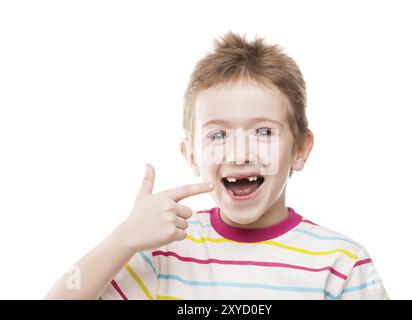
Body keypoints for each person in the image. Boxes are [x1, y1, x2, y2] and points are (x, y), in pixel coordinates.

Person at [45, 31, 389, 300]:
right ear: (191, 155)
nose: (239, 155)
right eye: (218, 135)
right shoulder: (164, 252)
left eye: (264, 131)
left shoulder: (342, 263)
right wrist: (122, 240)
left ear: (300, 149)